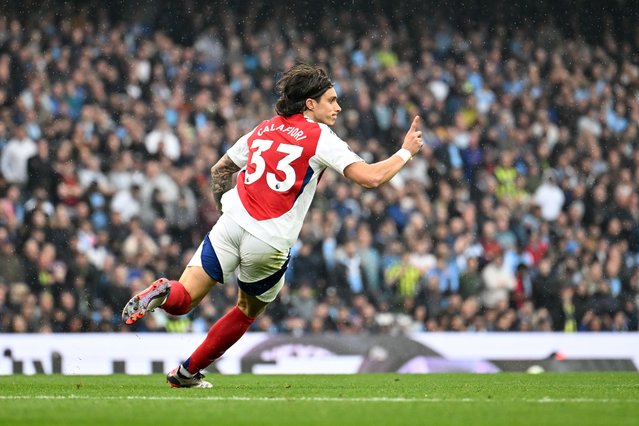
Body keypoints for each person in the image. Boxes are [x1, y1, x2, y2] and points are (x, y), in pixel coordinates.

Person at [121, 63, 423, 388]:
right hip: (267, 240)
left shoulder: (264, 128)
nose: (338, 107)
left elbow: (219, 170)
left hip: (229, 225)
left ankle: (162, 292)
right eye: (331, 100)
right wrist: (406, 151)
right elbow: (371, 178)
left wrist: (226, 207)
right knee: (245, 311)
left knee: (183, 300)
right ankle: (186, 373)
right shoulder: (320, 136)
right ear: (310, 103)